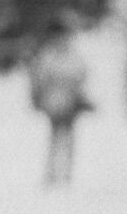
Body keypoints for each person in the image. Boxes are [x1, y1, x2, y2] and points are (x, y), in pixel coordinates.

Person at [28, 13, 93, 186]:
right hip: (54, 102)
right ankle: (51, 173)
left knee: (68, 137)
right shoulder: (47, 55)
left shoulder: (73, 55)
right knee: (55, 136)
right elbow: (40, 77)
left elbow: (81, 75)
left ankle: (66, 174)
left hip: (69, 102)